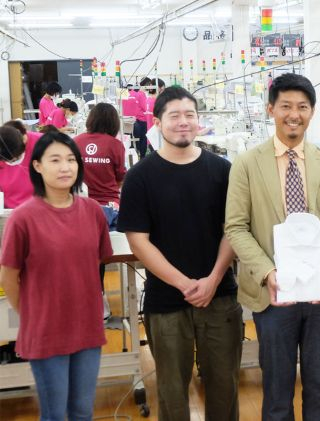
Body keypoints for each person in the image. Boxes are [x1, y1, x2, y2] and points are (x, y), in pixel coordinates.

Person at [225, 73, 320, 421]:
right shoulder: (247, 164)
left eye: (302, 107)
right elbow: (236, 227)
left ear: (312, 112)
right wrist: (267, 271)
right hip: (273, 294)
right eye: (286, 106)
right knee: (277, 391)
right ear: (271, 109)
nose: (294, 114)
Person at [117, 86, 242, 421]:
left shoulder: (222, 170)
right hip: (166, 301)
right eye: (174, 116)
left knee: (225, 387)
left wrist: (213, 279)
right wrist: (185, 284)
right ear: (158, 122)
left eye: (190, 115)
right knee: (172, 393)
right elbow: (138, 241)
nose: (183, 122)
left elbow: (233, 229)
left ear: (199, 121)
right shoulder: (140, 177)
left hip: (220, 296)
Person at [0, 131, 112, 420]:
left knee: (83, 412)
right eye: (55, 160)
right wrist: (31, 314)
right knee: (54, 415)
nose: (65, 167)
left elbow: (95, 260)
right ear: (37, 165)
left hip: (87, 326)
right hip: (46, 330)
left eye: (71, 160)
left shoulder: (92, 211)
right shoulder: (23, 218)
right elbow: (9, 276)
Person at [0, 123, 41, 208]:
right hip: (10, 209)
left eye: (16, 158)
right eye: (9, 161)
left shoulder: (43, 144)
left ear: (24, 140)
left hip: (41, 207)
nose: (13, 162)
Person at [128, 83, 149, 158]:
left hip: (129, 120)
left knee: (133, 139)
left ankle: (136, 154)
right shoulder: (141, 94)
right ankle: (142, 157)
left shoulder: (127, 94)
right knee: (143, 138)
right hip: (141, 119)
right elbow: (145, 107)